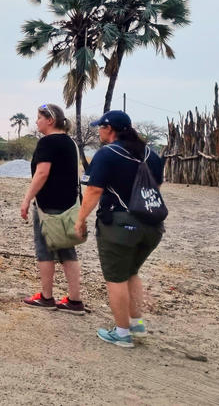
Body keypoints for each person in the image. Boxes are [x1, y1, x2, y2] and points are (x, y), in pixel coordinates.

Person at [75, 110, 164, 348]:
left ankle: (122, 333)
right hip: (152, 226)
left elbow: (93, 191)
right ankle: (136, 324)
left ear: (109, 129)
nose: (98, 131)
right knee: (132, 272)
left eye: (100, 127)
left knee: (115, 278)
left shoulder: (107, 154)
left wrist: (80, 219)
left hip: (120, 225)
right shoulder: (152, 155)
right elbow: (155, 187)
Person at [18, 104, 85, 314]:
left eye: (39, 117)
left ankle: (46, 297)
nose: (36, 121)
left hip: (49, 206)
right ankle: (74, 300)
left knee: (44, 250)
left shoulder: (47, 142)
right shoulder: (70, 143)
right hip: (70, 204)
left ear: (50, 120)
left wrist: (27, 199)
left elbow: (42, 173)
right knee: (67, 249)